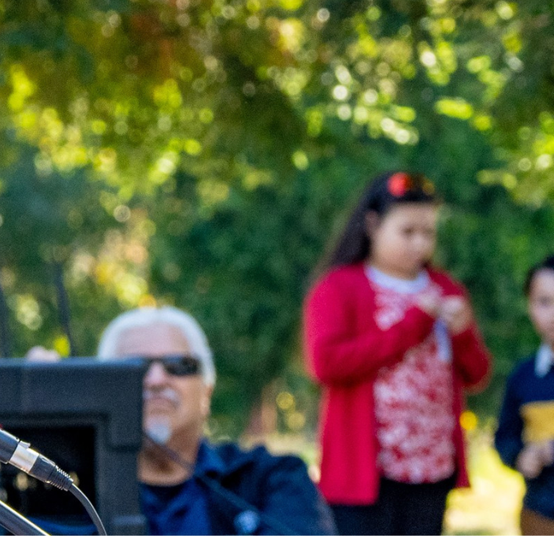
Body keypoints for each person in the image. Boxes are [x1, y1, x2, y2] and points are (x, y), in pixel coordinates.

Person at [303, 171, 491, 535]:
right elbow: (326, 364)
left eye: (428, 233)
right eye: (407, 232)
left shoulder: (445, 288)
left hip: (431, 467)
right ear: (372, 224)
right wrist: (413, 325)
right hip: (364, 472)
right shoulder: (340, 287)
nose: (419, 244)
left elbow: (477, 374)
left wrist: (463, 332)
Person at [98, 306, 335, 535]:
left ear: (207, 391)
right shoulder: (70, 491)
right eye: (134, 367)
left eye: (179, 365)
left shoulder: (274, 479)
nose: (157, 379)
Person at [496, 255, 554, 535]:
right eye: (544, 302)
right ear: (529, 305)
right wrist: (521, 457)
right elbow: (505, 437)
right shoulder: (523, 377)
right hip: (540, 511)